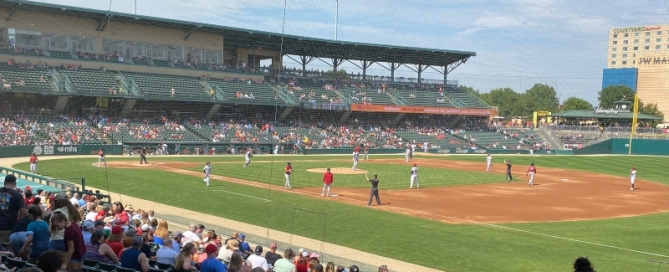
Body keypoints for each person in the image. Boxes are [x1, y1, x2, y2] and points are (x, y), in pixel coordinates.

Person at [0, 174, 28, 252]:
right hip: (9, 227)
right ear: (15, 183)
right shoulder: (17, 195)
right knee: (9, 250)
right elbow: (23, 210)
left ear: (4, 182)